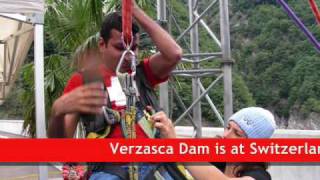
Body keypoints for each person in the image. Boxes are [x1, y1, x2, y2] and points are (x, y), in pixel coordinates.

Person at [48, 1, 182, 180]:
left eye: (133, 47)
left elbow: (174, 54)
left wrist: (133, 10)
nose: (128, 55)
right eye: (120, 47)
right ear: (102, 45)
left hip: (153, 165)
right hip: (109, 170)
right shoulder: (84, 81)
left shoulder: (143, 73)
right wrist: (57, 112)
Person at [151, 107, 276, 180]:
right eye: (228, 128)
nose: (226, 135)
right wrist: (160, 128)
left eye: (237, 134)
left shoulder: (260, 176)